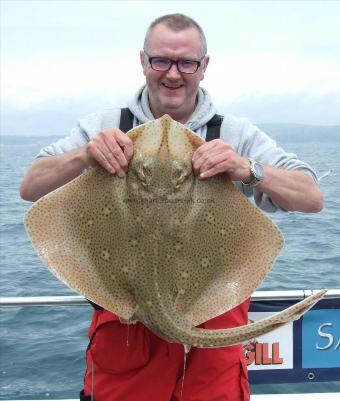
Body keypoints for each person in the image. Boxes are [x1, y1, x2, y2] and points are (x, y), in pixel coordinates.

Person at [20, 13, 323, 401]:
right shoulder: (105, 124)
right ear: (143, 61)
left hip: (212, 346)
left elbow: (312, 197)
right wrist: (85, 155)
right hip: (126, 339)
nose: (173, 74)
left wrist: (246, 168)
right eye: (161, 60)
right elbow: (30, 187)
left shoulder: (235, 134)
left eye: (186, 62)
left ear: (204, 66)